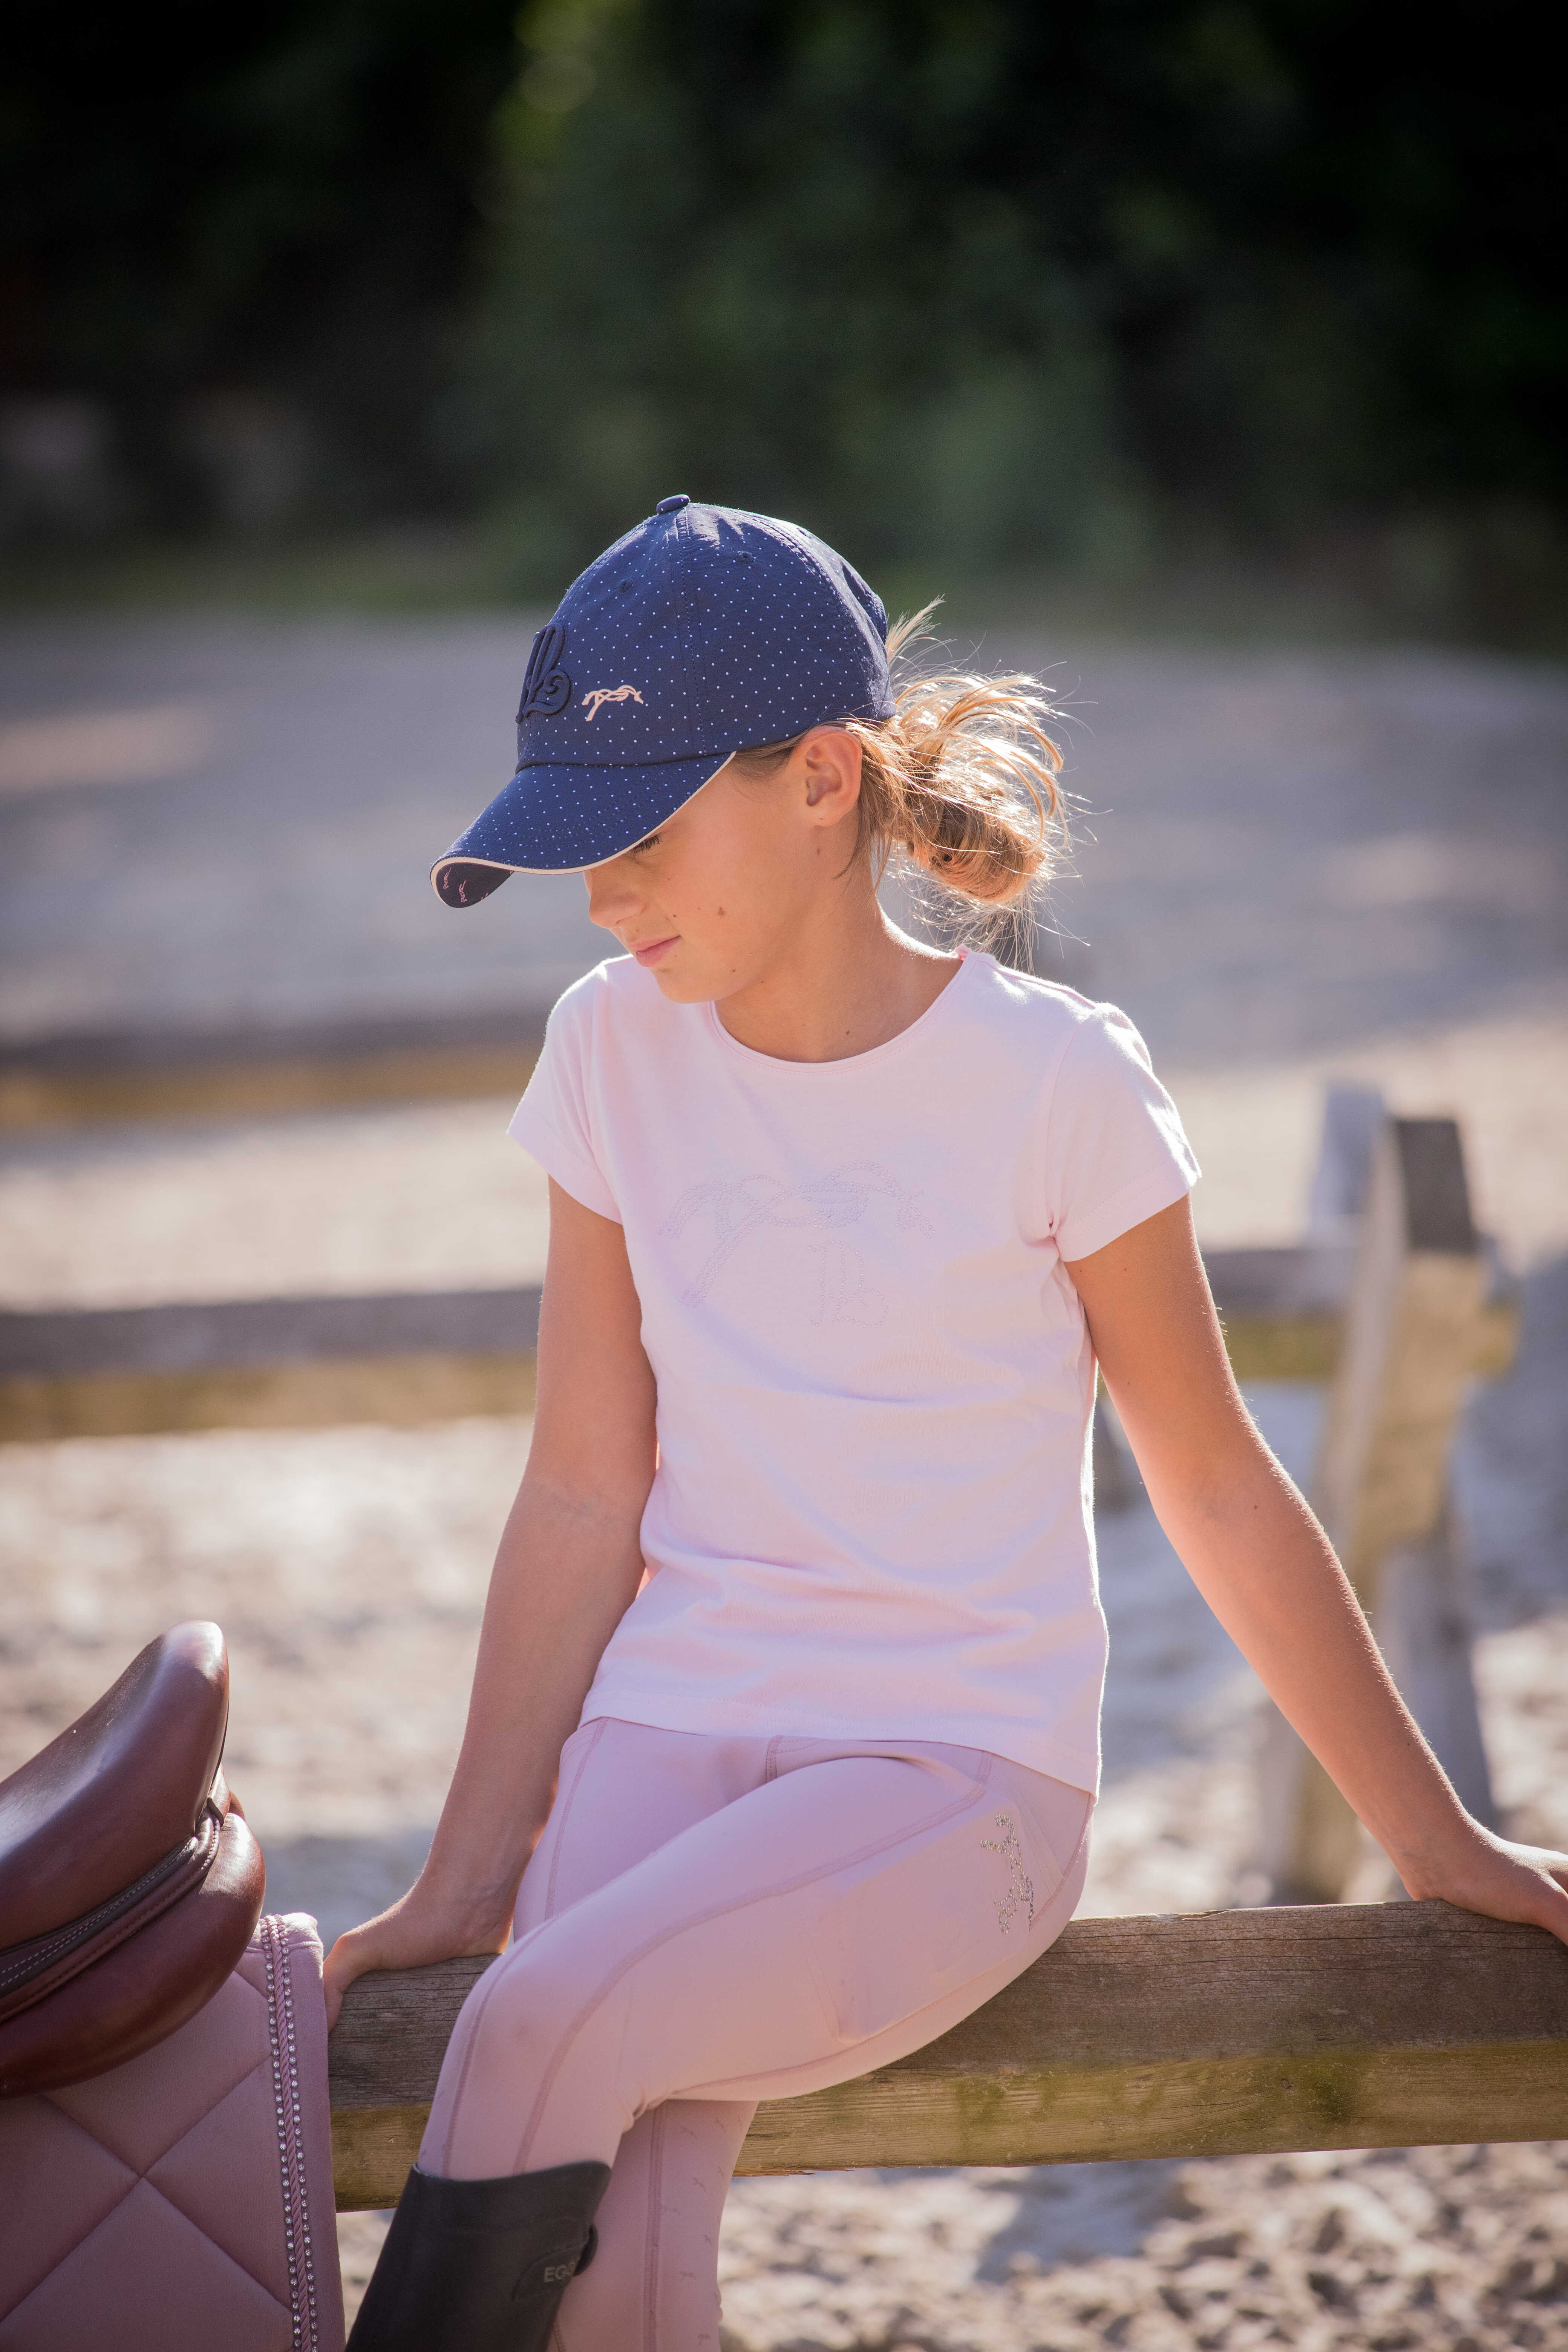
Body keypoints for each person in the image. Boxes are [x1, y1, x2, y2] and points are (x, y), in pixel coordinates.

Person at [326, 496, 1568, 2352]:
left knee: (529, 2028)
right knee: (617, 2270)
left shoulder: (1055, 1083)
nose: (598, 897)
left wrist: (1436, 1840)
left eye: (641, 836)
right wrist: (460, 1875)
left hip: (951, 1775)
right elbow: (582, 1489)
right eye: (577, 847)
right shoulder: (604, 1046)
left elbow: (1212, 1483)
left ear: (821, 778)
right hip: (661, 1734)